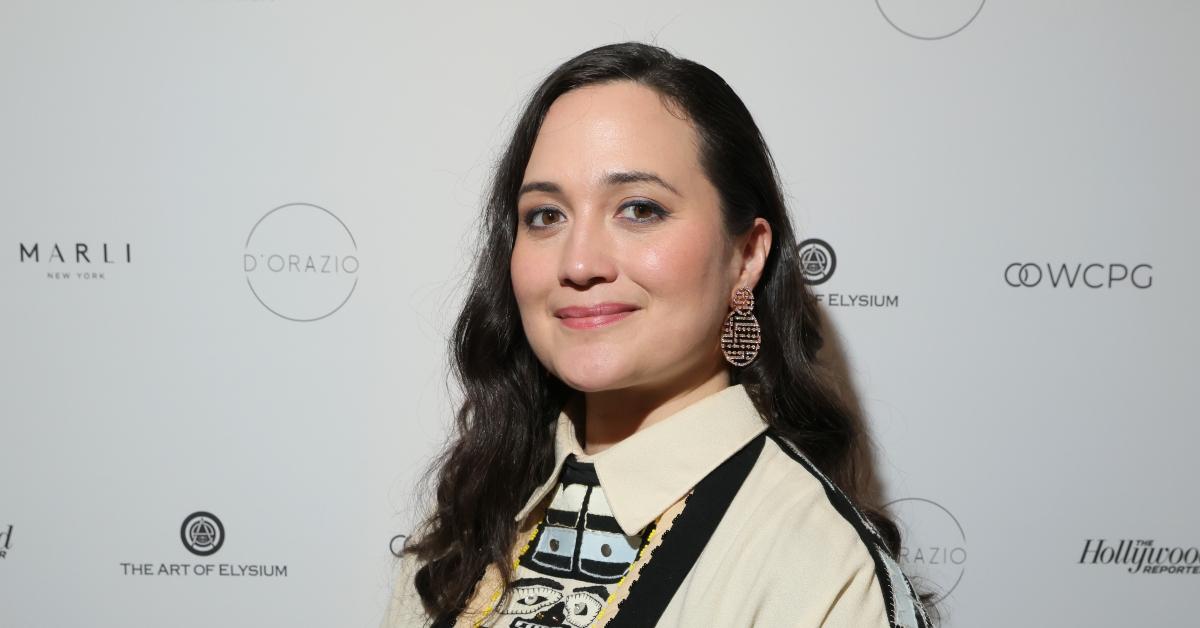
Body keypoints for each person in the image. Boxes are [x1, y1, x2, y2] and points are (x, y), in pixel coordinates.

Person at [382, 41, 936, 627]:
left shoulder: (820, 567)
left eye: (639, 209)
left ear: (746, 255)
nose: (579, 262)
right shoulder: (465, 523)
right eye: (546, 215)